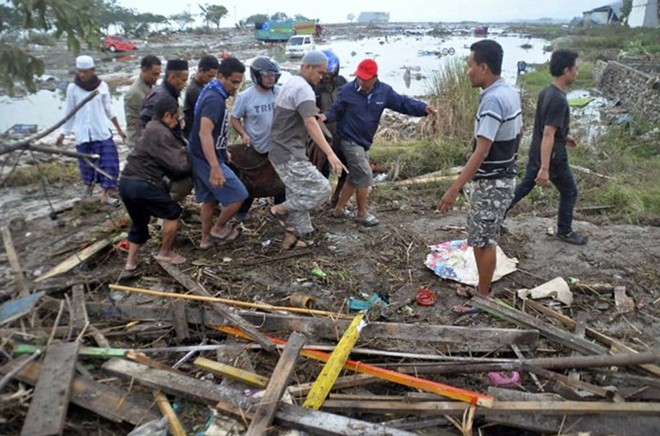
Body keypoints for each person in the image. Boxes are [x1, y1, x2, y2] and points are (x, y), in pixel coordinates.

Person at [438, 40, 523, 313]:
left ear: (484, 67)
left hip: (492, 182)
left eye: (470, 65)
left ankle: (483, 297)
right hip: (503, 177)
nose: (467, 71)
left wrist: (454, 189)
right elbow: (518, 134)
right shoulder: (508, 91)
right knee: (483, 236)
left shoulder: (493, 99)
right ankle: (483, 288)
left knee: (484, 241)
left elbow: (481, 151)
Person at [320, 58, 435, 226]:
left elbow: (403, 103)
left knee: (355, 176)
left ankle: (338, 210)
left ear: (375, 77)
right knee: (365, 174)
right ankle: (362, 213)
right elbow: (336, 110)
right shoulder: (346, 91)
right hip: (347, 139)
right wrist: (325, 116)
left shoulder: (384, 92)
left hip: (364, 141)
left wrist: (423, 108)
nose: (362, 81)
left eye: (366, 78)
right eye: (360, 77)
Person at [506, 49, 587, 246]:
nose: (577, 72)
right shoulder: (558, 99)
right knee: (570, 191)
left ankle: (494, 218)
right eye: (576, 68)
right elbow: (548, 133)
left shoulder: (547, 92)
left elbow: (547, 128)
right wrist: (545, 167)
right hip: (552, 157)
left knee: (524, 187)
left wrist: (565, 136)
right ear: (566, 70)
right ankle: (565, 232)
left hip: (538, 151)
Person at [268, 51, 347, 250]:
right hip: (287, 153)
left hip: (282, 149)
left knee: (298, 192)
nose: (321, 77)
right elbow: (310, 122)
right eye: (319, 72)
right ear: (307, 67)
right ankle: (278, 209)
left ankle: (302, 236)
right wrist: (330, 153)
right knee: (321, 189)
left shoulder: (292, 83)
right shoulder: (303, 88)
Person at [119, 96, 191, 270]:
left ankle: (131, 262)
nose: (177, 120)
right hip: (143, 184)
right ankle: (165, 252)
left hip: (125, 183)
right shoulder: (161, 132)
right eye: (176, 116)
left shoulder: (150, 127)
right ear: (167, 115)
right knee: (172, 212)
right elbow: (180, 165)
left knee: (139, 222)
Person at [188, 57, 249, 249]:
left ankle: (205, 240)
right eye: (234, 82)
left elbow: (213, 132)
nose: (236, 87)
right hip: (205, 159)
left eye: (239, 82)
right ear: (221, 77)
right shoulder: (214, 99)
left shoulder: (213, 92)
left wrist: (222, 150)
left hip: (201, 155)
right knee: (239, 194)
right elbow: (204, 132)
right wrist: (215, 166)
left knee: (209, 199)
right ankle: (219, 228)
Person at [56, 55, 126, 205]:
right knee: (86, 165)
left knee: (109, 163)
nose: (82, 74)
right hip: (83, 134)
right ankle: (88, 188)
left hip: (101, 132)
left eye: (86, 71)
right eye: (80, 71)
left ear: (93, 70)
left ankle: (105, 194)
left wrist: (119, 129)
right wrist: (63, 133)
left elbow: (109, 109)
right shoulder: (72, 88)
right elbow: (70, 112)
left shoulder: (102, 87)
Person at [230, 56, 284, 222]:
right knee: (252, 182)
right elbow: (234, 118)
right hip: (256, 147)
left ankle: (279, 211)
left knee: (282, 180)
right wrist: (243, 134)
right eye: (267, 75)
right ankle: (241, 213)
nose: (270, 79)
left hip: (278, 146)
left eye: (273, 75)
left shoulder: (280, 92)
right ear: (256, 75)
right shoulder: (245, 97)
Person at [314, 49, 348, 207]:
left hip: (341, 133)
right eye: (324, 73)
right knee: (322, 169)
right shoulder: (313, 87)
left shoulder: (342, 83)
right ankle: (319, 197)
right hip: (321, 134)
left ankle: (336, 195)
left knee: (344, 167)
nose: (326, 76)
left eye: (330, 72)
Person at [138, 59, 189, 141]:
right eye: (183, 80)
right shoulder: (160, 97)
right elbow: (144, 123)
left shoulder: (169, 93)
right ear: (172, 77)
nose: (185, 84)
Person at [124, 55, 162, 146]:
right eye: (154, 74)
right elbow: (134, 122)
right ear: (144, 70)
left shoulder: (151, 85)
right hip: (138, 141)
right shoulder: (134, 93)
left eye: (158, 74)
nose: (157, 77)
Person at [183, 55, 220, 139]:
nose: (211, 79)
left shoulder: (202, 87)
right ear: (200, 71)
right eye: (209, 76)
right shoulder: (194, 91)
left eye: (213, 77)